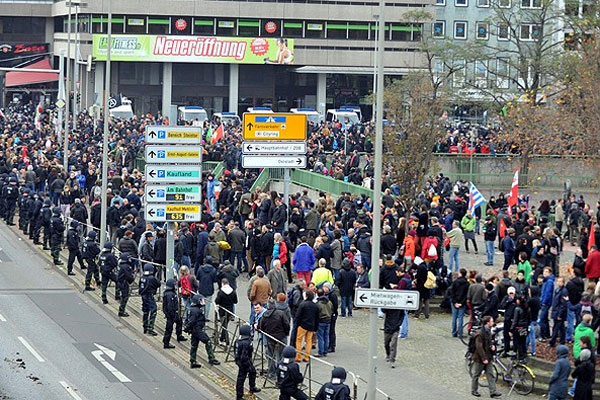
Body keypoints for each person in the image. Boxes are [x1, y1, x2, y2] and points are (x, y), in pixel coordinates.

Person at [184, 294, 220, 368]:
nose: (202, 302)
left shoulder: (192, 309)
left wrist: (187, 328)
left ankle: (193, 360)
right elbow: (192, 321)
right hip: (197, 329)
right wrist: (187, 327)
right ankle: (211, 358)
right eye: (200, 300)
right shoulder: (196, 310)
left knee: (194, 345)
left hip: (194, 330)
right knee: (208, 341)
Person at [471, 316, 502, 398]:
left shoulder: (488, 331)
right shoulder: (480, 333)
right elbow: (479, 347)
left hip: (488, 357)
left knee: (490, 374)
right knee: (476, 374)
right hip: (480, 358)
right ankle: (474, 390)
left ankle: (493, 391)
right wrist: (484, 358)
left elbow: (488, 343)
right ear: (487, 322)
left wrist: (492, 347)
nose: (493, 323)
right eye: (492, 321)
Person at [258, 298, 290, 379]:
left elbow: (261, 327)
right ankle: (281, 373)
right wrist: (286, 333)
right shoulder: (281, 313)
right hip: (281, 337)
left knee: (270, 356)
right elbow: (287, 324)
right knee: (281, 356)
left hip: (270, 338)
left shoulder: (264, 315)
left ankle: (272, 373)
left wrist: (267, 334)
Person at [234, 324, 261, 400]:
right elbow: (244, 356)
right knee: (241, 378)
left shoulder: (238, 340)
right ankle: (239, 396)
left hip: (240, 360)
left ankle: (252, 387)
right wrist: (248, 366)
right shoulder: (246, 342)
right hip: (244, 363)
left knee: (253, 372)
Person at [295, 290, 319, 362]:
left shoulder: (303, 304)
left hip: (302, 325)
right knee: (309, 342)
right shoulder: (315, 306)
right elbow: (317, 318)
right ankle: (307, 357)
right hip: (311, 326)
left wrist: (298, 324)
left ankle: (298, 357)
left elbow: (298, 316)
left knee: (299, 340)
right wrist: (315, 328)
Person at [162, 278, 186, 349]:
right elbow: (170, 306)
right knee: (169, 328)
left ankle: (179, 335)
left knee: (179, 321)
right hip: (171, 314)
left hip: (172, 313)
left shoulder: (169, 293)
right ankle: (166, 343)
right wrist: (172, 314)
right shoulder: (170, 295)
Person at [215, 278, 239, 346]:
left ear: (222, 283)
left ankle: (226, 339)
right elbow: (235, 301)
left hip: (222, 310)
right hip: (230, 310)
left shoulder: (220, 292)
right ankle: (222, 338)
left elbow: (217, 301)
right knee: (225, 324)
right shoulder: (233, 291)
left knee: (224, 325)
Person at [139, 263, 161, 336]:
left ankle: (145, 327)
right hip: (149, 296)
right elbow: (158, 284)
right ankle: (150, 328)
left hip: (143, 295)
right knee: (153, 310)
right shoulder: (151, 278)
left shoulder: (143, 277)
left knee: (145, 311)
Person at [449, 268, 469, 338]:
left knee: (454, 317)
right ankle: (460, 333)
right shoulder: (467, 283)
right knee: (460, 318)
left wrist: (455, 302)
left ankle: (454, 332)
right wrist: (462, 303)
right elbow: (466, 295)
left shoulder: (455, 282)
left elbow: (452, 292)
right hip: (462, 302)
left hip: (455, 302)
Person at [549, 276, 569, 347]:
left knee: (556, 327)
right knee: (561, 327)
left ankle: (553, 341)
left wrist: (560, 315)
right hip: (556, 311)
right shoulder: (557, 290)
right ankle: (562, 340)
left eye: (560, 281)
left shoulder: (563, 291)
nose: (558, 282)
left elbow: (563, 304)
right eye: (558, 281)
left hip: (559, 312)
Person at [510, 295, 530, 361]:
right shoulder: (527, 308)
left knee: (518, 342)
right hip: (524, 327)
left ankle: (520, 356)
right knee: (523, 341)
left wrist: (511, 329)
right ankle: (524, 354)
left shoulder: (517, 309)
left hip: (518, 327)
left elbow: (515, 320)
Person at [315, 288, 332, 357]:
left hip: (321, 320)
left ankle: (321, 351)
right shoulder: (329, 302)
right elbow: (332, 310)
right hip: (328, 320)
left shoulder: (318, 304)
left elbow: (317, 313)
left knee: (320, 337)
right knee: (326, 336)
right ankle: (325, 351)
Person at [539, 267, 555, 340]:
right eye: (544, 271)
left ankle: (543, 335)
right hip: (545, 302)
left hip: (545, 303)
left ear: (549, 273)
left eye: (546, 272)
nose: (544, 273)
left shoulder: (549, 282)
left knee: (542, 319)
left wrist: (544, 302)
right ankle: (547, 334)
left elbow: (548, 293)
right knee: (545, 319)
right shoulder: (546, 281)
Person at [117, 253, 135, 317]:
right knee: (125, 297)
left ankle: (121, 310)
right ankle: (121, 311)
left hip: (120, 282)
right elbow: (128, 276)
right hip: (124, 283)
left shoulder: (120, 265)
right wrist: (132, 279)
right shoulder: (126, 266)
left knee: (124, 296)